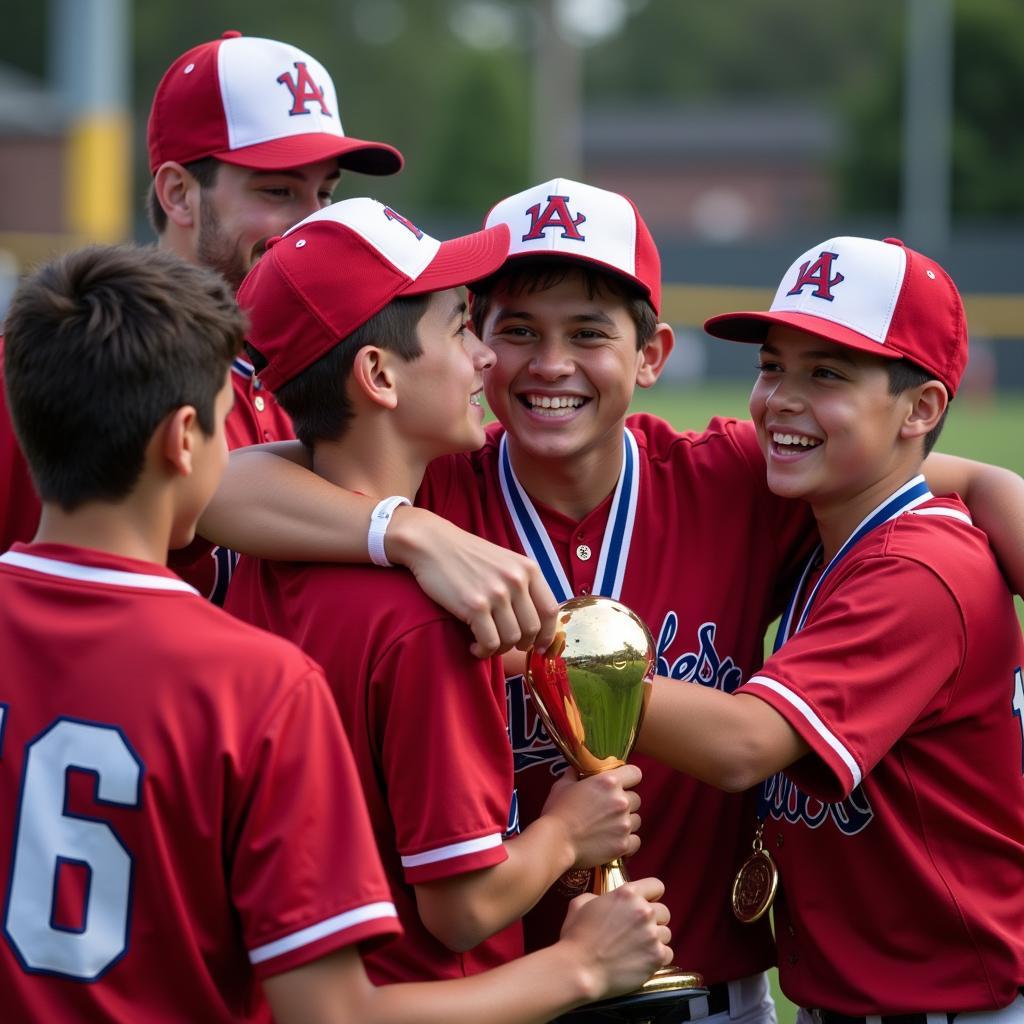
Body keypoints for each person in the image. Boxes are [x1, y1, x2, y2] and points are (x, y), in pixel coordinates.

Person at [199, 180, 1024, 1024]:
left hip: (712, 994)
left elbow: (909, 479)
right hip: (514, 991)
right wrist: (405, 531)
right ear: (479, 346)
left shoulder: (734, 478)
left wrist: (996, 488)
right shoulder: (432, 480)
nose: (550, 363)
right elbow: (217, 488)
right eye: (517, 329)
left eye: (588, 332)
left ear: (652, 354)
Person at [0, 242, 673, 1023]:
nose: (487, 356)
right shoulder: (396, 631)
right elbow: (448, 920)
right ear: (187, 440)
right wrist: (574, 916)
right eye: (462, 329)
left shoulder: (253, 568)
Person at [0, 32, 558, 653]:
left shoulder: (349, 364)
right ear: (178, 193)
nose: (314, 218)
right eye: (278, 191)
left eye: (325, 192)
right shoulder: (62, 364)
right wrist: (408, 531)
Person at [225, 198, 647, 987]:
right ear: (379, 375)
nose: (486, 357)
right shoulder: (432, 617)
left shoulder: (266, 554)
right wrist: (565, 832)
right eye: (459, 327)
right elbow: (461, 908)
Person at [639, 236, 1024, 1020]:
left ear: (920, 409)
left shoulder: (917, 568)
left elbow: (743, 745)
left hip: (947, 1004)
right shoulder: (839, 531)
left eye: (827, 374)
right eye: (773, 365)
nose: (781, 397)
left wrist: (545, 659)